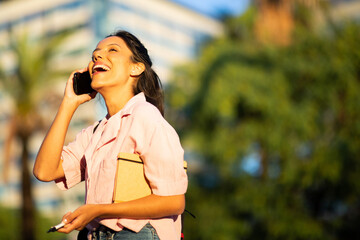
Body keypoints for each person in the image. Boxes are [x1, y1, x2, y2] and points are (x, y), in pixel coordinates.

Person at [33, 30, 188, 240]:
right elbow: (44, 171)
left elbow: (174, 202)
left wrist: (98, 210)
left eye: (112, 50)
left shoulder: (146, 117)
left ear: (136, 67)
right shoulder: (96, 132)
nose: (97, 57)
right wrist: (69, 103)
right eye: (95, 54)